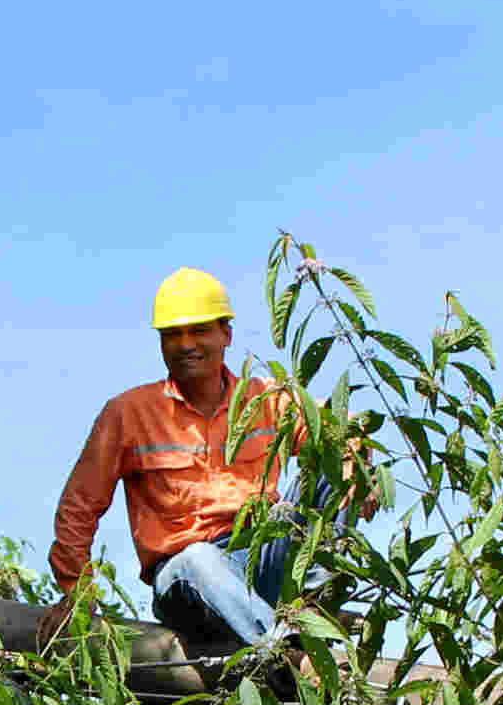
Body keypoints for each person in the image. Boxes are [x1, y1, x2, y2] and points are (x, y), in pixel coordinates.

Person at [45, 266, 321, 655]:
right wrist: (77, 593)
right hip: (186, 579)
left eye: (199, 330)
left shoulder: (267, 400)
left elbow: (336, 434)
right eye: (173, 334)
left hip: (261, 562)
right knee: (199, 559)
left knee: (335, 460)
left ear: (226, 334)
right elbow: (78, 507)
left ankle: (314, 600)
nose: (186, 344)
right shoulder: (129, 413)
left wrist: (353, 457)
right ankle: (284, 652)